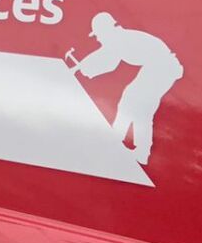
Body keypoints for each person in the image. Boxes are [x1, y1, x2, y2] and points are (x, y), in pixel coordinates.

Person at [64, 13, 184, 165]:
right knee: (131, 100)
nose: (98, 39)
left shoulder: (118, 40)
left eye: (98, 35)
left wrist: (85, 69)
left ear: (106, 30)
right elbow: (103, 54)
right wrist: (83, 67)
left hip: (162, 67)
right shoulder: (119, 38)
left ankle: (125, 146)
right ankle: (123, 144)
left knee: (138, 106)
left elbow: (108, 62)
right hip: (158, 67)